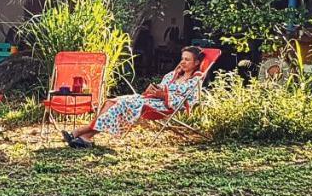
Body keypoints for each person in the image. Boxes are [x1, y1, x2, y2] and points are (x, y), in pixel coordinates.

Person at [63, 45, 205, 148]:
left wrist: (163, 95)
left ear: (197, 63)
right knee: (112, 102)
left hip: (162, 106)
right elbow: (159, 88)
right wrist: (154, 90)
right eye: (182, 59)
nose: (182, 62)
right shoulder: (172, 75)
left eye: (187, 60)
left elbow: (183, 100)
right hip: (150, 100)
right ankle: (86, 137)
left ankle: (81, 132)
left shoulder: (194, 80)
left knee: (122, 104)